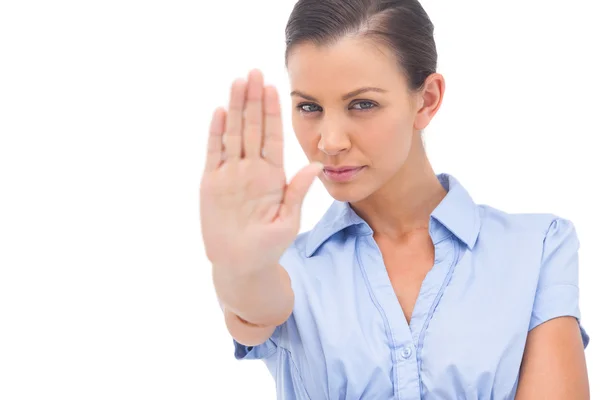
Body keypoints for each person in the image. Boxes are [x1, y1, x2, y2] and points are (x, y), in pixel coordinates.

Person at [200, 0, 590, 398]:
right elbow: (254, 308)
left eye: (362, 104)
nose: (330, 141)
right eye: (309, 107)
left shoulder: (536, 247)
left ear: (428, 99)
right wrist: (239, 267)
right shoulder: (285, 268)